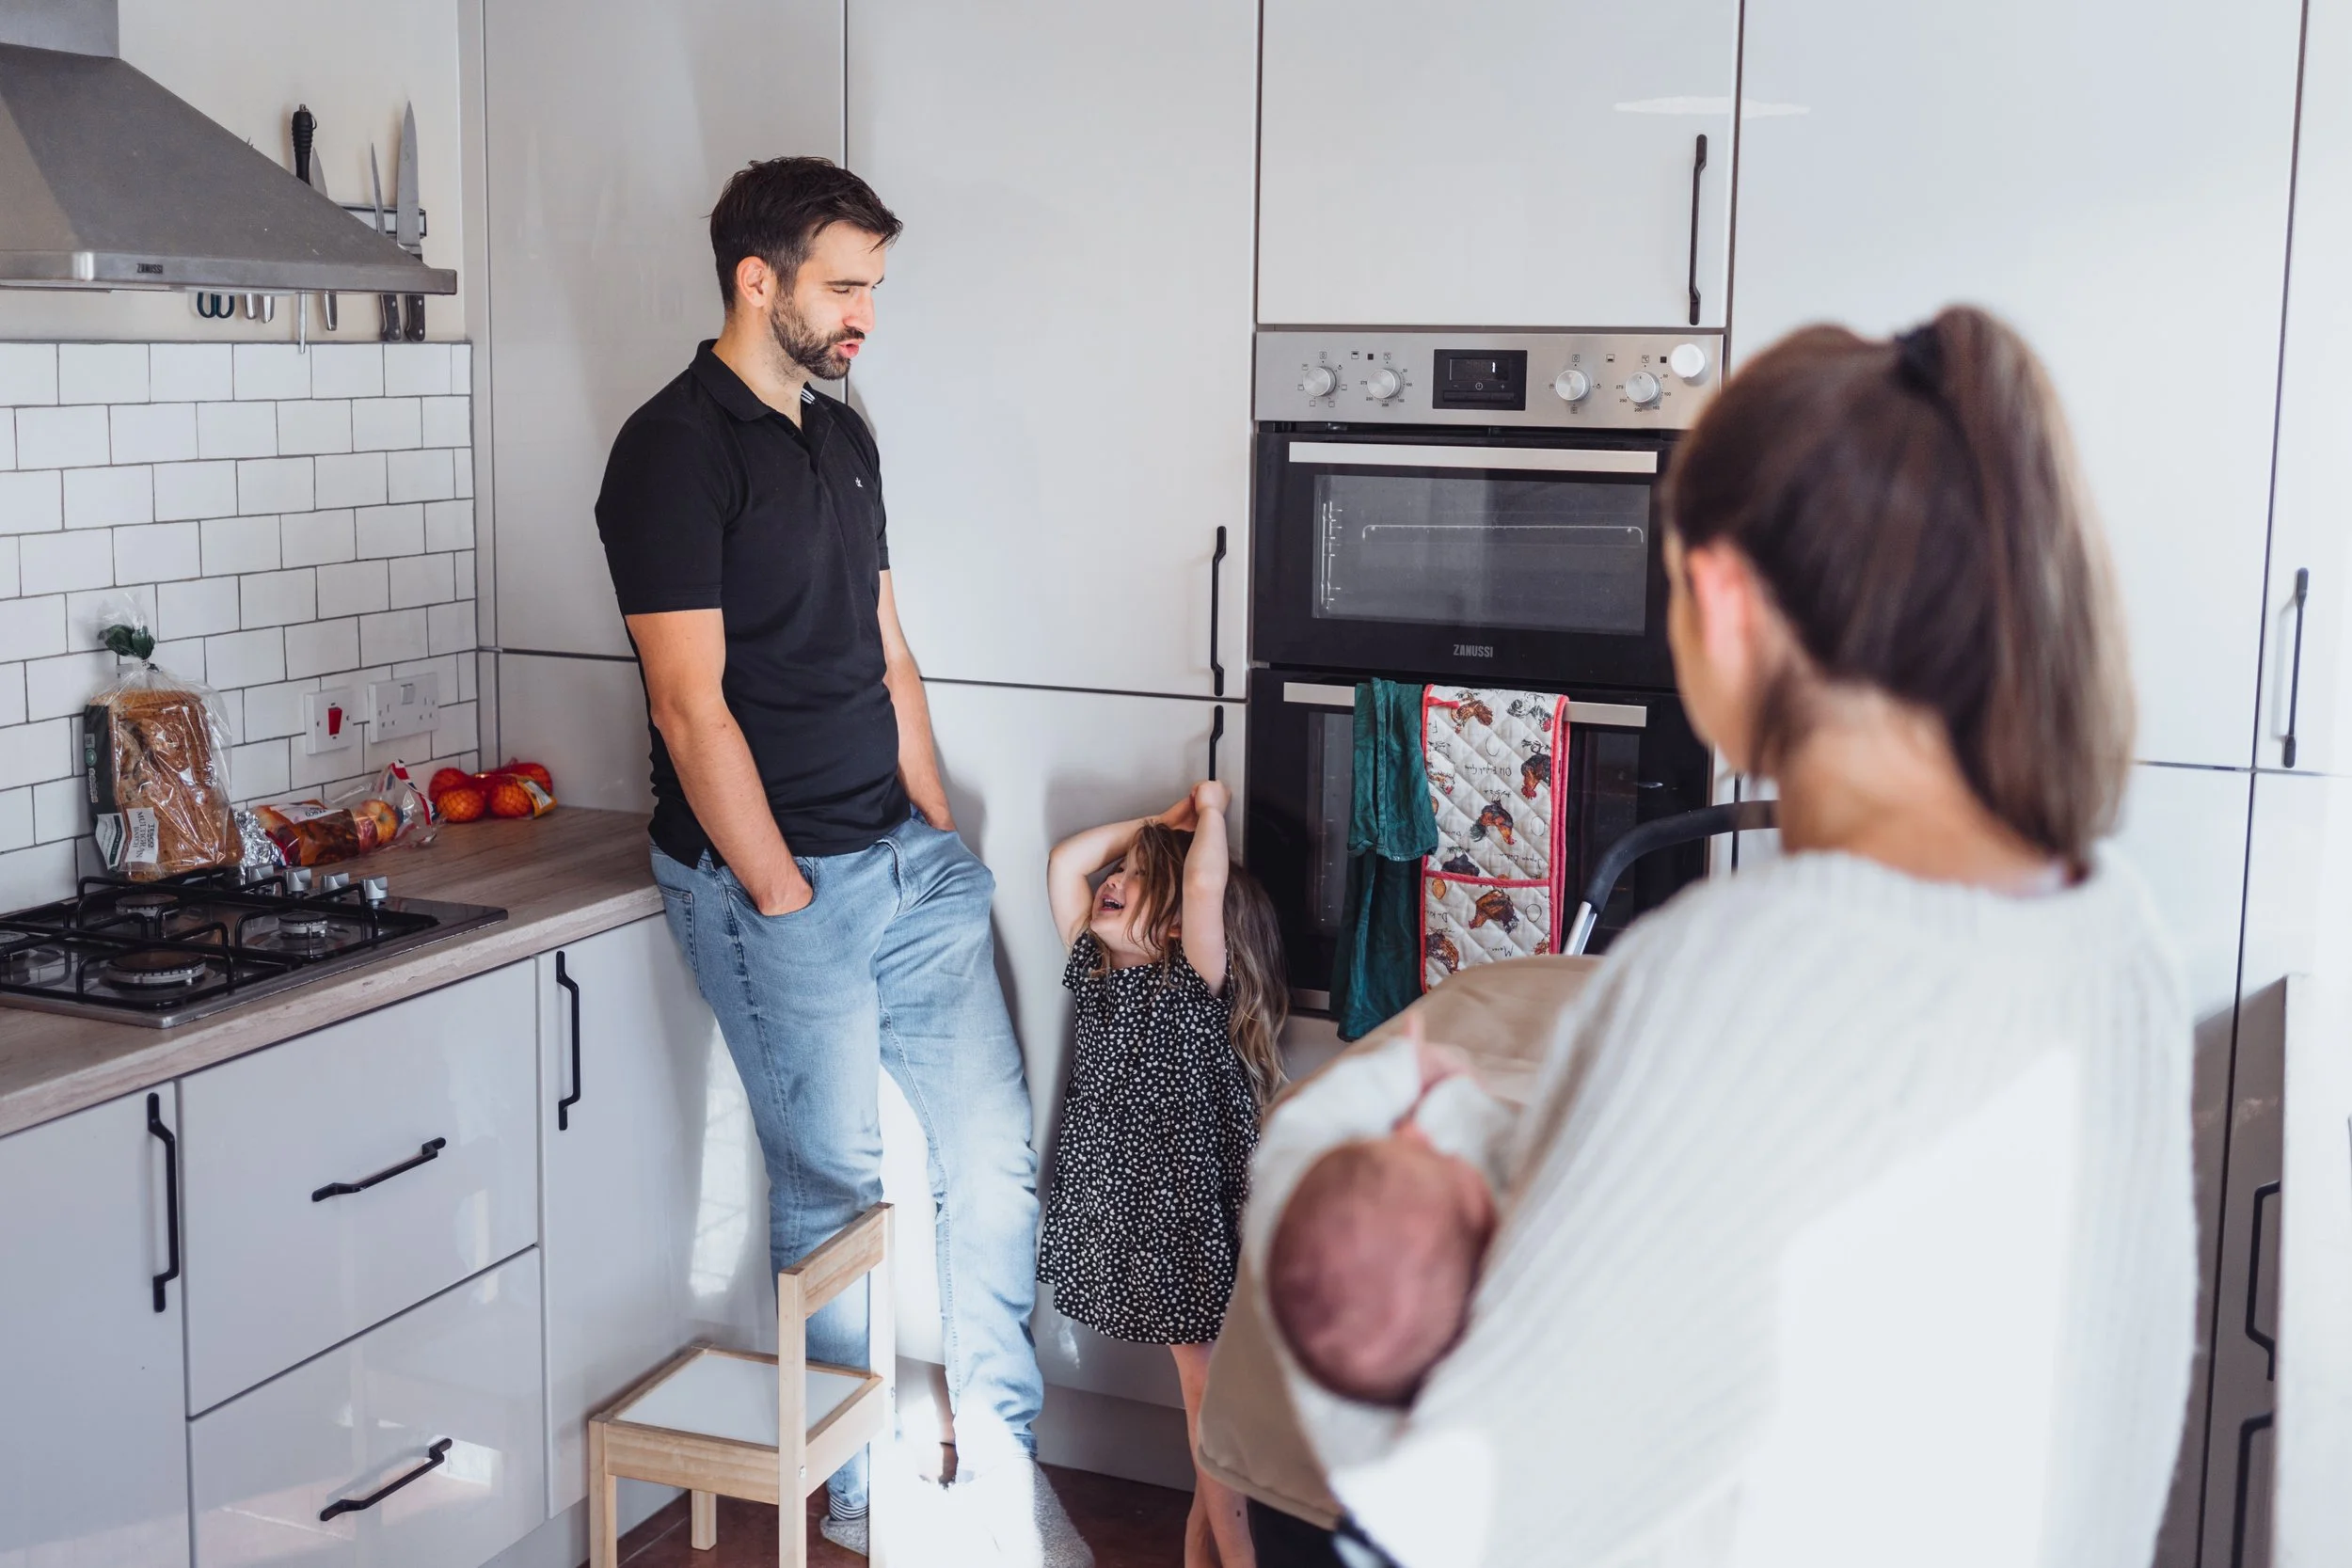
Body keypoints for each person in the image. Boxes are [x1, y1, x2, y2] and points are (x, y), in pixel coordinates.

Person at [1242, 307, 2197, 1568]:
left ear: (1727, 600)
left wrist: (1317, 1138)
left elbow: (1459, 1506)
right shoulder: (2115, 929)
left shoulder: (1748, 971)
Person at [594, 157, 1080, 1565]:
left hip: (902, 856)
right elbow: (692, 707)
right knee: (840, 1194)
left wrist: (936, 831)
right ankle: (857, 1488)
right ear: (761, 280)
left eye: (875, 284)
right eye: (845, 284)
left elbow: (887, 649)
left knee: (993, 1158)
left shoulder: (843, 433)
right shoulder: (671, 451)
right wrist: (783, 891)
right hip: (772, 880)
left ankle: (996, 1459)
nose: (868, 311)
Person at [1042, 781, 1288, 1568]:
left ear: (1180, 921)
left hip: (1181, 1217)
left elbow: (1208, 882)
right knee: (1202, 1391)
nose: (1112, 879)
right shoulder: (1096, 972)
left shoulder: (1190, 979)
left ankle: (1227, 1556)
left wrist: (1211, 815)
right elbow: (1063, 863)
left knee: (1204, 1393)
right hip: (1131, 1213)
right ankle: (1212, 1553)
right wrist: (1160, 823)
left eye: (1140, 877)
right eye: (1122, 872)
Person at [1263, 1040, 1502, 1409]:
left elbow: (1305, 1120)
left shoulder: (1284, 1181)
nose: (1413, 1130)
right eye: (1440, 1155)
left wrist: (1405, 1068)